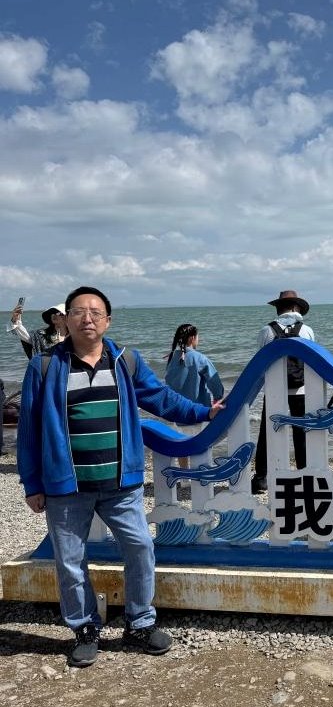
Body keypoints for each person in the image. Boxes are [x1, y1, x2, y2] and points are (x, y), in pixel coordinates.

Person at [16, 286, 225, 668]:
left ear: (108, 320)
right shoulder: (44, 366)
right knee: (70, 560)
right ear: (65, 320)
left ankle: (140, 623)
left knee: (140, 547)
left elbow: (161, 397)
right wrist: (32, 483)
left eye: (96, 312)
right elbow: (28, 429)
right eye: (79, 311)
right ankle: (84, 628)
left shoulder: (124, 361)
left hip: (121, 486)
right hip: (66, 486)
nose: (87, 318)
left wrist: (204, 412)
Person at [252, 290, 315, 494]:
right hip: (300, 388)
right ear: (296, 307)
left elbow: (259, 363)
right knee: (301, 431)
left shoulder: (266, 331)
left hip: (274, 389)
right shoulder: (306, 331)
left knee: (266, 432)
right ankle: (304, 474)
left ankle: (261, 478)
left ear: (278, 308)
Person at [165, 323, 225, 469]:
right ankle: (200, 473)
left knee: (182, 444)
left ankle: (185, 476)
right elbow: (215, 382)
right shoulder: (199, 358)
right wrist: (218, 397)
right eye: (198, 337)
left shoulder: (172, 358)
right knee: (200, 445)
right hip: (198, 410)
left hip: (178, 411)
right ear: (192, 338)